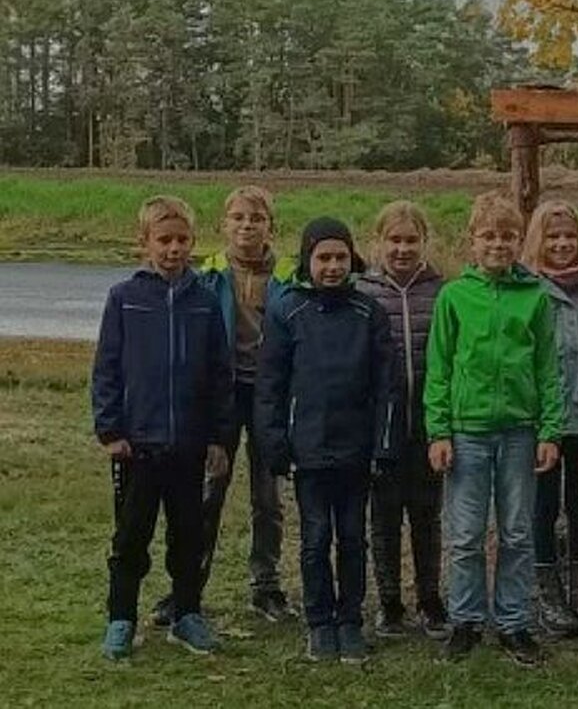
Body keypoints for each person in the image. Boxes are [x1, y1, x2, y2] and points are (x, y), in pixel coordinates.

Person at [92, 194, 234, 663]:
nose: (174, 249)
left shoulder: (206, 302)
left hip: (189, 445)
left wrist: (217, 435)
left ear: (193, 241)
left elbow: (219, 374)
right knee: (131, 537)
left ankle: (187, 613)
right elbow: (107, 368)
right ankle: (121, 618)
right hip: (139, 445)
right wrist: (111, 429)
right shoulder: (125, 298)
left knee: (188, 536)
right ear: (145, 243)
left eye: (182, 240)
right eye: (164, 240)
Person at [424, 192, 563, 668]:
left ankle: (514, 623)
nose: (498, 245)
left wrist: (550, 431)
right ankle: (465, 620)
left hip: (520, 431)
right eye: (489, 236)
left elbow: (548, 367)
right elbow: (439, 367)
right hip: (467, 432)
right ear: (472, 241)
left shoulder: (536, 297)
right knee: (464, 534)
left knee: (518, 532)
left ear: (520, 242)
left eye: (508, 236)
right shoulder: (454, 296)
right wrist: (438, 430)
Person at [152, 184, 294, 627]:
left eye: (257, 218)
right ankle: (186, 588)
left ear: (271, 226)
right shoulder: (207, 275)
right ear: (224, 225)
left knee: (267, 497)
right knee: (209, 492)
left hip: (270, 393)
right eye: (238, 218)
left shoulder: (290, 276)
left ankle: (266, 585)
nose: (247, 226)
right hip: (221, 396)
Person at [254, 216, 394, 666]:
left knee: (353, 539)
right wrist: (276, 446)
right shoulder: (287, 309)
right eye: (323, 258)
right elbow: (271, 385)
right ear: (307, 260)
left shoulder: (368, 312)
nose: (332, 266)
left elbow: (386, 387)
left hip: (356, 452)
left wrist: (383, 446)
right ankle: (319, 622)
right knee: (316, 539)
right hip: (308, 451)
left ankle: (350, 619)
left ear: (352, 259)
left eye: (340, 257)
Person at [522, 198, 578, 639]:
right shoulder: (527, 288)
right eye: (553, 236)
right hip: (543, 423)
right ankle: (547, 592)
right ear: (538, 241)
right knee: (543, 505)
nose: (561, 244)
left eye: (569, 236)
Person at [360, 201, 449, 641]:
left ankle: (431, 599)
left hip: (429, 422)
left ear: (424, 243)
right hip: (382, 425)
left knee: (427, 515)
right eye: (393, 240)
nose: (402, 248)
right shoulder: (363, 292)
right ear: (378, 243)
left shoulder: (441, 291)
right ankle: (390, 601)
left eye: (410, 240)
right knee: (385, 517)